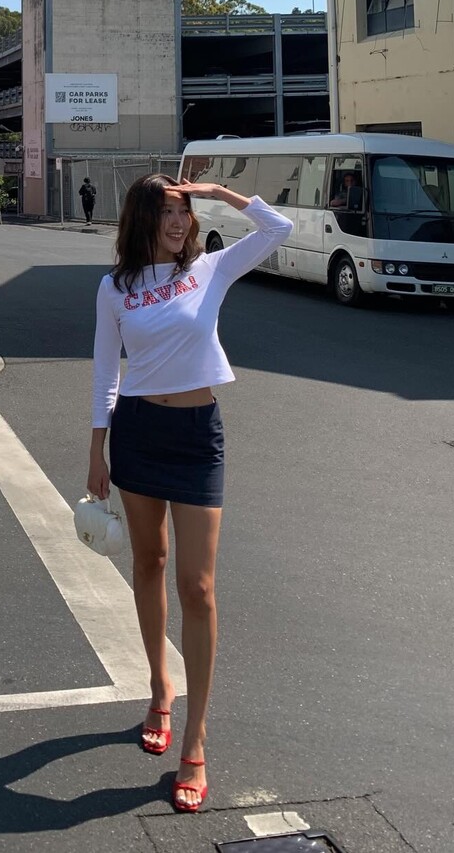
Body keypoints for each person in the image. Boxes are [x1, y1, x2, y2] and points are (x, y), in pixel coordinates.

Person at [87, 173, 292, 813]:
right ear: (143, 219)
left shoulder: (209, 270)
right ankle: (159, 687)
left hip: (199, 435)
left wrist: (219, 193)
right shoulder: (116, 288)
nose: (179, 223)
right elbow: (105, 372)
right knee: (148, 562)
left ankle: (195, 739)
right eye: (168, 212)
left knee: (198, 587)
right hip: (139, 432)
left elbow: (279, 229)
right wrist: (96, 450)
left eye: (185, 213)